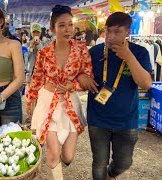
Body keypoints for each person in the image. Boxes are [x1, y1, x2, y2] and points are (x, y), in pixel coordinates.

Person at [78, 12, 152, 180]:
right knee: (99, 163)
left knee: (124, 162)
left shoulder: (139, 53)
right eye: (108, 31)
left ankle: (112, 174)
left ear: (127, 32)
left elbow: (146, 84)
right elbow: (78, 72)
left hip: (127, 120)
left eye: (117, 32)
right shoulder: (95, 52)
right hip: (98, 119)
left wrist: (128, 56)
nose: (110, 36)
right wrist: (81, 76)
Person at [26, 5, 93, 179]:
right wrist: (30, 101)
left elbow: (88, 77)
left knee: (68, 157)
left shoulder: (81, 50)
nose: (67, 29)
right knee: (53, 155)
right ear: (52, 29)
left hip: (71, 104)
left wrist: (74, 86)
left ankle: (58, 161)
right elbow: (37, 78)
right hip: (48, 103)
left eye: (70, 24)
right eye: (62, 25)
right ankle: (54, 170)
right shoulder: (43, 52)